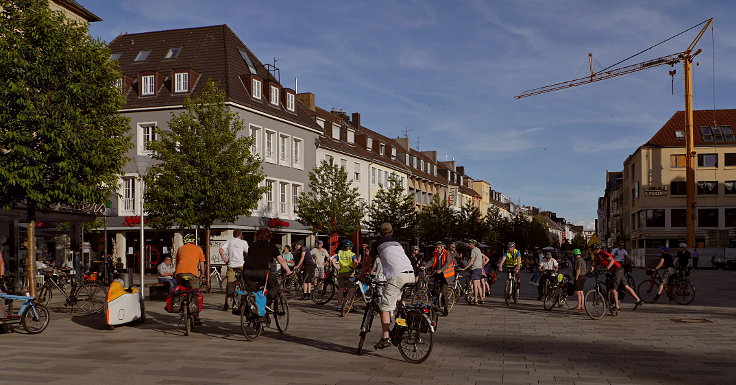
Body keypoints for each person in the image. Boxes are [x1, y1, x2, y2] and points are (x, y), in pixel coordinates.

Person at [357, 223, 414, 350]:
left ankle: (385, 338)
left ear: (381, 232)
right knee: (397, 299)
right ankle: (403, 322)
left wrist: (361, 275)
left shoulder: (377, 244)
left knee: (384, 307)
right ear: (392, 232)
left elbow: (367, 262)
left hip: (396, 276)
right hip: (410, 273)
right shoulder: (398, 244)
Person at [242, 228, 292, 311]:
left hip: (247, 272)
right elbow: (281, 260)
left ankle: (253, 313)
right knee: (276, 287)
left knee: (254, 293)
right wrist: (288, 271)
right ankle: (266, 302)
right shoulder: (271, 246)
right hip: (263, 271)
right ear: (269, 236)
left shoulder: (252, 245)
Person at [589, 244, 643, 311]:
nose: (591, 251)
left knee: (613, 288)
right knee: (626, 286)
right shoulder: (596, 256)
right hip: (616, 270)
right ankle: (638, 300)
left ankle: (617, 306)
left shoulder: (602, 253)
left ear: (595, 249)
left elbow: (612, 260)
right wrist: (590, 272)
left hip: (617, 269)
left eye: (591, 250)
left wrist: (606, 268)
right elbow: (593, 265)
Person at [174, 234, 206, 325]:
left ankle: (181, 305)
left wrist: (176, 272)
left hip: (180, 273)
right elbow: (202, 263)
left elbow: (177, 262)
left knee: (181, 290)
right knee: (195, 293)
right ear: (193, 241)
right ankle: (196, 318)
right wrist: (202, 274)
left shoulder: (180, 249)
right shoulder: (198, 248)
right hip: (192, 274)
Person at [218, 229, 249, 311]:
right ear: (240, 235)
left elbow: (221, 250)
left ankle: (226, 303)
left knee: (230, 284)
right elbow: (248, 252)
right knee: (246, 281)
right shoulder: (244, 242)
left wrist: (224, 259)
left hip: (231, 265)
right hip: (241, 265)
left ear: (233, 235)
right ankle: (245, 297)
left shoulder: (229, 241)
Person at [459, 239, 488, 304]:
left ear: (473, 244)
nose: (469, 245)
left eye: (470, 244)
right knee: (478, 285)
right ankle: (481, 299)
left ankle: (475, 300)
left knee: (475, 285)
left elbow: (471, 261)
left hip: (475, 269)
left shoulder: (473, 250)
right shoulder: (478, 250)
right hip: (479, 269)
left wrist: (464, 268)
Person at [332, 240, 358, 312]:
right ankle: (350, 306)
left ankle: (339, 305)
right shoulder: (352, 254)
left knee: (341, 290)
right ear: (350, 247)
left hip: (341, 273)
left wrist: (337, 267)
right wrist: (354, 267)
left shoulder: (339, 254)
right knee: (350, 290)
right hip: (350, 273)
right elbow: (356, 262)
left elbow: (333, 260)